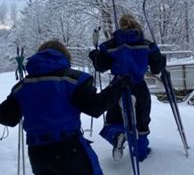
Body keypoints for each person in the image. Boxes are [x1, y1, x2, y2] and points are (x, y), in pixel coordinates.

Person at [0, 40, 129, 175]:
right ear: (65, 56)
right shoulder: (73, 80)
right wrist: (118, 86)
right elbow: (95, 107)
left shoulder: (22, 87)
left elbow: (7, 117)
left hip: (37, 153)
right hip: (68, 149)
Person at [89, 14, 165, 162]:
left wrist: (95, 56)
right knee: (142, 121)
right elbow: (156, 68)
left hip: (118, 87)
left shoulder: (110, 45)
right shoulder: (147, 44)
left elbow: (101, 66)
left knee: (114, 120)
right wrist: (161, 61)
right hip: (139, 87)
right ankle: (141, 153)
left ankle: (118, 134)